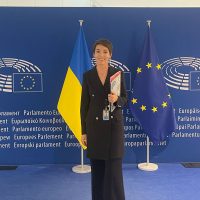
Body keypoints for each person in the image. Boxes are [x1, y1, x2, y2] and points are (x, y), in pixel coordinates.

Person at [80, 39, 127, 200]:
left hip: (114, 128)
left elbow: (125, 99)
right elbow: (84, 105)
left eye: (105, 51)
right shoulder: (88, 76)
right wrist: (83, 132)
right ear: (93, 54)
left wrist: (117, 99)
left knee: (114, 172)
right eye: (98, 51)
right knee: (98, 170)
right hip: (95, 129)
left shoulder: (117, 74)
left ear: (110, 55)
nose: (101, 54)